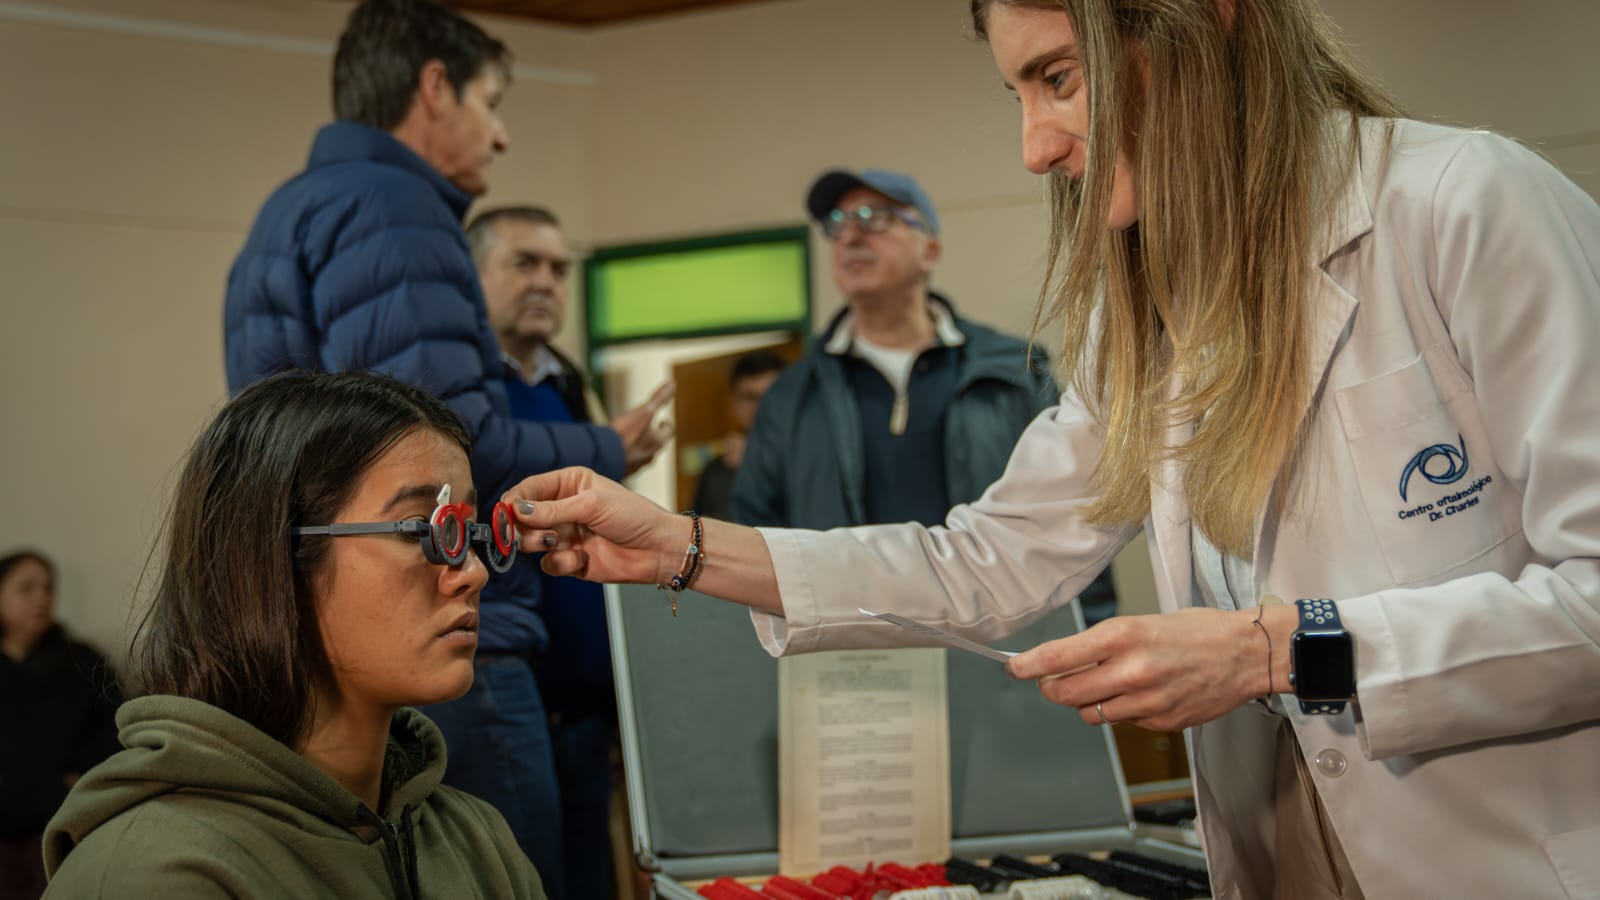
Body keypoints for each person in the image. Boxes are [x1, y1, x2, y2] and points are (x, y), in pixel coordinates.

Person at [500, 0, 1600, 897]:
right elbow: (982, 562)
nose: (1033, 148)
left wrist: (1275, 651)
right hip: (1284, 852)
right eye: (1017, 92)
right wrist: (680, 546)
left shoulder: (1467, 206)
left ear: (1205, 23)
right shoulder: (1155, 316)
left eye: (1060, 78)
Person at [220, 3, 668, 891]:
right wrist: (607, 445)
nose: (499, 138)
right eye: (491, 103)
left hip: (332, 631)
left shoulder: (290, 209)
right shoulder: (393, 207)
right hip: (446, 621)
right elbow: (448, 465)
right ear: (434, 87)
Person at [41, 371, 545, 899]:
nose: (473, 571)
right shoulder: (155, 874)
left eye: (468, 531)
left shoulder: (478, 842)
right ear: (270, 561)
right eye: (424, 528)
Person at [733, 167, 1117, 624]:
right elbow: (753, 533)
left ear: (929, 249)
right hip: (846, 653)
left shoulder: (1015, 371)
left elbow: (1076, 517)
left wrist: (1089, 636)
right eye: (838, 223)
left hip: (995, 646)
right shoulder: (791, 395)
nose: (850, 235)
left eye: (875, 218)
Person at [464, 203, 674, 900]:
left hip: (587, 706)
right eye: (524, 262)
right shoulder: (466, 397)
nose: (547, 282)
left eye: (559, 267)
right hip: (505, 692)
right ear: (471, 272)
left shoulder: (568, 383)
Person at [0, 552, 120, 900]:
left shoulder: (82, 660)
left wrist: (79, 777)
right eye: (27, 588)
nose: (42, 597)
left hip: (61, 811)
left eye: (48, 588)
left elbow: (115, 726)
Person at [691, 349, 786, 522]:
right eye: (751, 397)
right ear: (734, 402)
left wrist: (756, 461)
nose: (761, 407)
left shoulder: (807, 460)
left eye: (770, 396)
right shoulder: (716, 472)